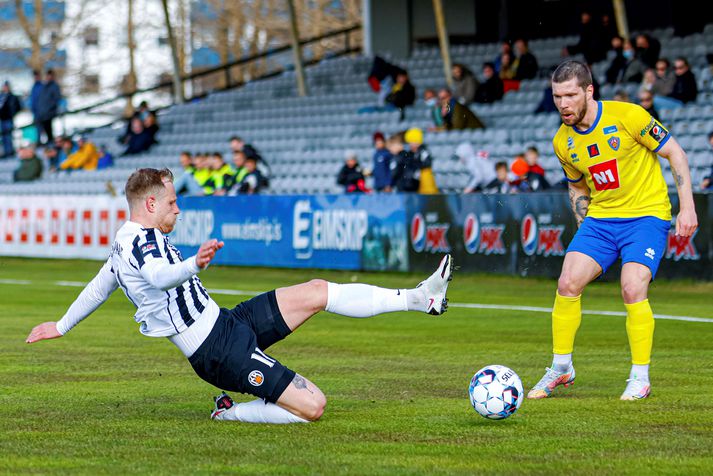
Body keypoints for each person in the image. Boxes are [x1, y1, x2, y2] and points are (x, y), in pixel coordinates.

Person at [25, 167, 454, 424]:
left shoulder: (126, 239)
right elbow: (157, 278)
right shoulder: (144, 243)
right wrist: (195, 263)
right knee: (313, 406)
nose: (178, 209)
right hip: (217, 351)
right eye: (172, 202)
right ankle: (228, 411)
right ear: (151, 204)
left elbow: (102, 283)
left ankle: (419, 298)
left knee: (317, 291)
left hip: (227, 323)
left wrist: (61, 325)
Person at [528, 60, 697, 401]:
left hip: (646, 216)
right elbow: (577, 187)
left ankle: (640, 377)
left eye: (570, 95)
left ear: (589, 91)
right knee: (567, 282)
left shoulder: (628, 116)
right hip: (601, 220)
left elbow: (675, 153)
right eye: (557, 96)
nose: (563, 103)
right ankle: (561, 368)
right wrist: (583, 227)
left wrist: (687, 206)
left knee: (632, 288)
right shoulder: (563, 141)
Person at [405, 128, 438, 194]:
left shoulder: (423, 152)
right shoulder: (411, 154)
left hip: (425, 181)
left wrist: (417, 166)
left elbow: (427, 163)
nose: (410, 144)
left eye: (412, 142)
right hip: (415, 183)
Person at [36, 69, 62, 145]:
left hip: (49, 113)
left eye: (50, 75)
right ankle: (48, 146)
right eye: (47, 75)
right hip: (43, 113)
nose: (48, 77)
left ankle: (51, 145)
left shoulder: (54, 86)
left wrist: (49, 109)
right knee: (43, 131)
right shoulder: (44, 86)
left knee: (49, 131)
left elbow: (56, 99)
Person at [0, 81, 22, 158]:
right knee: (3, 136)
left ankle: (10, 152)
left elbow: (18, 107)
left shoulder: (12, 97)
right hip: (2, 119)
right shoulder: (1, 96)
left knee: (9, 135)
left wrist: (12, 113)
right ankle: (6, 151)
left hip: (8, 118)